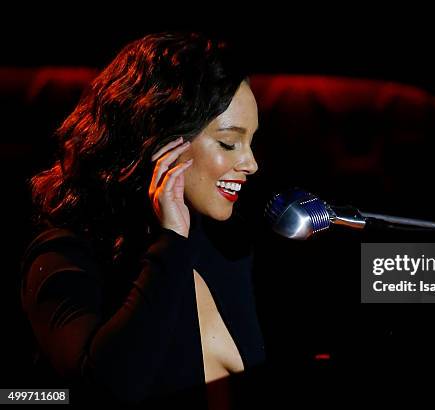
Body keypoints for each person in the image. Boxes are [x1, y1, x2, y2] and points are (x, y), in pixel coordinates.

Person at [20, 32, 265, 406]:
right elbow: (101, 391)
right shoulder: (63, 257)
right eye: (229, 143)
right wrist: (171, 246)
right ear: (162, 139)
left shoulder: (228, 249)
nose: (250, 163)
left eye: (251, 143)